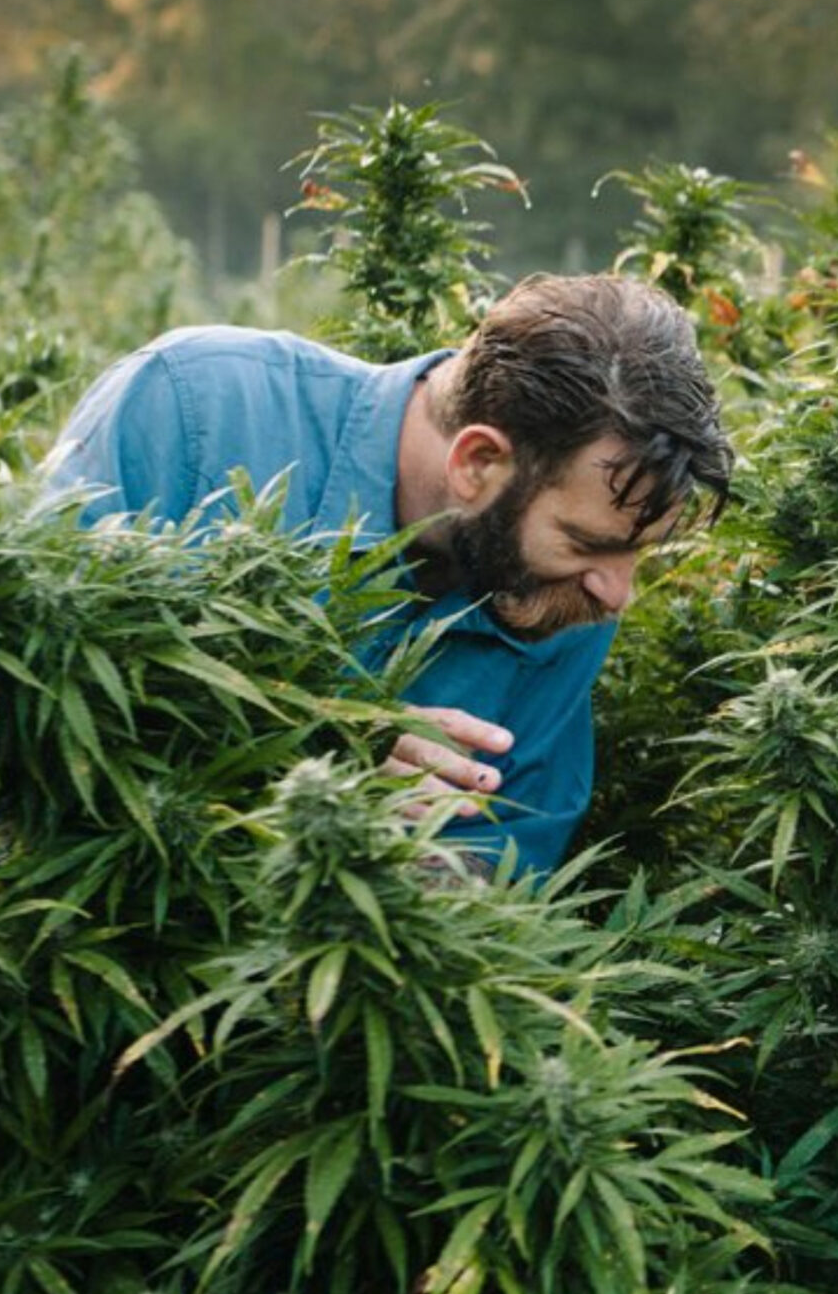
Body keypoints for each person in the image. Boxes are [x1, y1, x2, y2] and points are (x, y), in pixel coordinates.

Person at [41, 273, 732, 874]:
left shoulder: (563, 596)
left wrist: (419, 876)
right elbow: (28, 683)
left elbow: (502, 865)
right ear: (478, 462)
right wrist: (309, 748)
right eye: (586, 542)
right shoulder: (195, 407)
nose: (617, 594)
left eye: (637, 552)